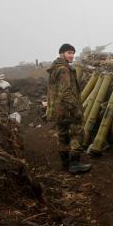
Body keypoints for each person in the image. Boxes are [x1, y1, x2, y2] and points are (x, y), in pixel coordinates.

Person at [46, 43, 92, 174]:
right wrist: (75, 109)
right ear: (62, 54)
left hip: (58, 110)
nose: (72, 55)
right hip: (67, 109)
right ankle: (75, 164)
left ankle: (65, 164)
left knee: (62, 135)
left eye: (73, 53)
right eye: (69, 53)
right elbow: (66, 92)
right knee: (77, 132)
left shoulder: (54, 68)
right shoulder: (64, 70)